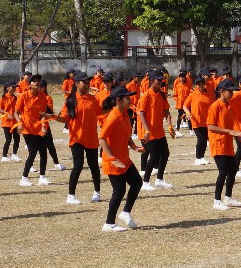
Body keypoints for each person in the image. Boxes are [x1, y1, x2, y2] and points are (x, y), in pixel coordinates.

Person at [99, 87, 146, 231]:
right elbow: (102, 138)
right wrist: (112, 158)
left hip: (124, 159)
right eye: (127, 97)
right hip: (114, 161)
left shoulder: (125, 114)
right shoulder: (113, 117)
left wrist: (133, 146)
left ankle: (125, 213)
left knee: (137, 182)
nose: (130, 99)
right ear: (118, 100)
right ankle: (109, 223)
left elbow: (125, 135)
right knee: (119, 191)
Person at [57, 72, 103, 204]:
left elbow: (100, 112)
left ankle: (97, 192)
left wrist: (115, 107)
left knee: (93, 165)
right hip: (76, 138)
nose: (88, 84)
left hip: (91, 138)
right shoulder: (70, 100)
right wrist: (52, 116)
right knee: (78, 165)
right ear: (77, 83)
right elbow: (64, 118)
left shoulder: (92, 99)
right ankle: (71, 195)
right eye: (85, 82)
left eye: (88, 82)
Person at [208, 79, 241, 210]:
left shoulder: (229, 106)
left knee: (232, 170)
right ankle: (217, 200)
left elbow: (233, 126)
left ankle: (228, 198)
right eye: (229, 91)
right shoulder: (215, 106)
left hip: (228, 145)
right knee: (223, 171)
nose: (232, 93)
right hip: (218, 144)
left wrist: (240, 139)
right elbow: (210, 126)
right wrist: (228, 131)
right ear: (221, 92)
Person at [16, 75, 55, 186]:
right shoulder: (23, 96)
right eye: (34, 81)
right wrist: (19, 123)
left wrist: (43, 126)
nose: (37, 83)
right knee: (32, 152)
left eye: (38, 81)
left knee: (43, 152)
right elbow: (16, 112)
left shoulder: (43, 97)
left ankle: (42, 177)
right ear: (30, 84)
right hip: (27, 129)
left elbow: (43, 114)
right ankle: (24, 178)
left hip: (38, 128)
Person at [138, 70, 174, 190]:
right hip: (150, 132)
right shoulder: (146, 96)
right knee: (154, 157)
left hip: (160, 131)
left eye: (161, 80)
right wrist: (147, 130)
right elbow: (141, 114)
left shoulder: (162, 95)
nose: (160, 82)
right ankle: (145, 182)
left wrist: (169, 125)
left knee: (165, 154)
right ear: (152, 81)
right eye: (158, 80)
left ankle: (159, 179)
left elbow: (167, 112)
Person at [185, 81, 213, 165]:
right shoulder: (193, 94)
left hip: (206, 121)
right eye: (199, 85)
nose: (201, 86)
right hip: (196, 121)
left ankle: (202, 157)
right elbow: (185, 105)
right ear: (196, 85)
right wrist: (188, 113)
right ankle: (197, 158)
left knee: (205, 139)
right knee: (201, 139)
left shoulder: (208, 95)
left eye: (202, 84)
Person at [0, 83, 21, 161]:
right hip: (6, 122)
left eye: (15, 87)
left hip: (15, 122)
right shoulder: (3, 98)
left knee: (17, 139)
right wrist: (6, 114)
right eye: (13, 87)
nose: (14, 89)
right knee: (8, 139)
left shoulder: (15, 98)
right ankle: (4, 156)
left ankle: (14, 154)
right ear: (7, 88)